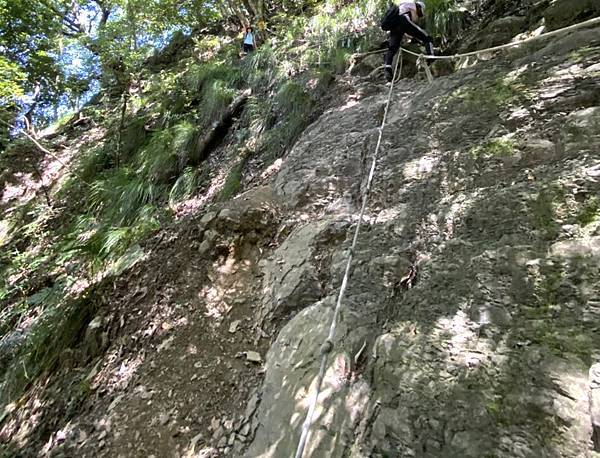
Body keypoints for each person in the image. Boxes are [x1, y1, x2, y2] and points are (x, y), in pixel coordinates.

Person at [383, 1, 434, 82]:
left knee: (392, 48)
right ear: (419, 7)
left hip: (394, 25)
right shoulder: (413, 5)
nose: (419, 15)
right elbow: (412, 21)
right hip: (404, 20)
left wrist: (414, 37)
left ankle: (387, 69)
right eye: (420, 13)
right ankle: (431, 58)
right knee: (427, 37)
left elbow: (405, 31)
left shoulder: (401, 6)